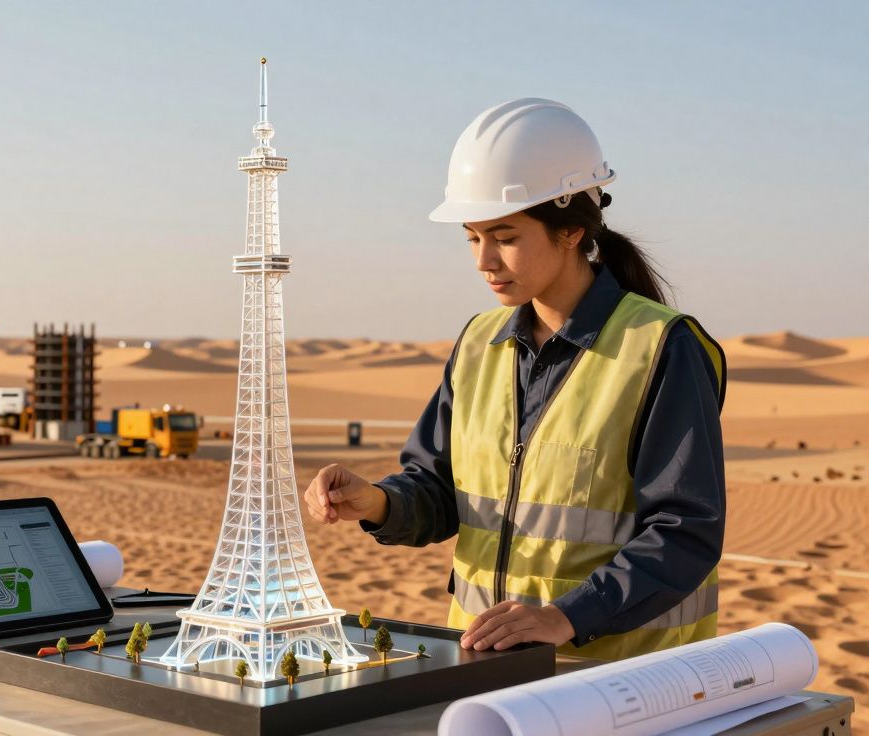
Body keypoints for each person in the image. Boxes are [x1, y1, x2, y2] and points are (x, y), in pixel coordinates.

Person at [305, 98, 726, 661]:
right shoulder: (480, 342)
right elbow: (439, 490)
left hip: (620, 680)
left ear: (572, 229)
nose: (483, 260)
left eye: (503, 237)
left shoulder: (659, 348)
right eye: (472, 237)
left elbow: (685, 531)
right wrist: (379, 502)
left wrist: (565, 618)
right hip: (484, 669)